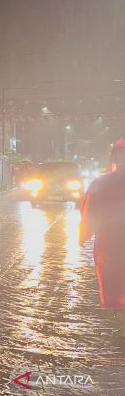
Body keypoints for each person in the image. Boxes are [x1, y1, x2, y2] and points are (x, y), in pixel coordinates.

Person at [80, 139, 125, 335]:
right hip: (110, 245)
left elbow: (89, 213)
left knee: (114, 286)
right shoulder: (100, 183)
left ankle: (123, 324)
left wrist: (84, 235)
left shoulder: (101, 183)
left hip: (110, 245)